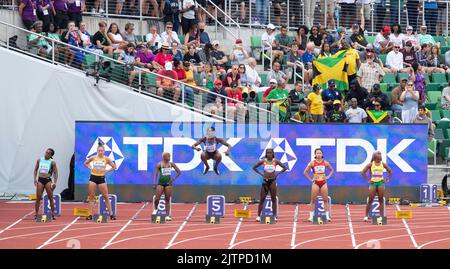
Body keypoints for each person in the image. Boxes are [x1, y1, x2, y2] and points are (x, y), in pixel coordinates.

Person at [252, 148, 288, 222]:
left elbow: (285, 168)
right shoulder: (263, 161)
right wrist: (261, 174)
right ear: (266, 154)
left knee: (273, 199)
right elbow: (254, 168)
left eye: (270, 152)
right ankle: (258, 216)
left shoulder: (276, 161)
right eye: (267, 153)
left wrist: (277, 174)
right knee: (262, 199)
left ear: (273, 153)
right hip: (265, 181)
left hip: (272, 181)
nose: (269, 154)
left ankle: (274, 216)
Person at [84, 142, 117, 220]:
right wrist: (90, 168)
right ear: (97, 151)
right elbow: (86, 163)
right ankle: (90, 214)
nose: (100, 152)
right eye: (99, 150)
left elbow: (114, 166)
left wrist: (107, 170)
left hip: (101, 178)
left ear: (104, 151)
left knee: (105, 196)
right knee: (91, 196)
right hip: (93, 177)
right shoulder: (93, 158)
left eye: (102, 151)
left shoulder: (106, 159)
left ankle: (111, 214)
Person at [361, 151, 392, 222]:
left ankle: (381, 217)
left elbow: (390, 171)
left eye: (380, 154)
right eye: (378, 154)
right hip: (373, 183)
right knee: (370, 200)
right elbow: (363, 172)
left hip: (381, 183)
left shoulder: (383, 164)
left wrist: (386, 179)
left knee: (380, 200)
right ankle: (366, 216)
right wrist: (367, 180)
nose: (380, 155)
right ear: (375, 156)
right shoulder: (371, 164)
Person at [303, 148, 334, 222]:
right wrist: (311, 179)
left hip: (323, 182)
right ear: (315, 154)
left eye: (320, 153)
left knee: (325, 200)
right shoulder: (312, 163)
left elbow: (331, 170)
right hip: (316, 182)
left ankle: (327, 216)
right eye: (317, 153)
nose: (319, 154)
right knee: (313, 200)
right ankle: (311, 216)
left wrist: (327, 177)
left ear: (322, 154)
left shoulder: (325, 163)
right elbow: (305, 172)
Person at [152, 152, 181, 221]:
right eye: (168, 156)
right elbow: (156, 174)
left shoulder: (171, 164)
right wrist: (154, 183)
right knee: (157, 198)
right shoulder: (159, 164)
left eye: (170, 156)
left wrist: (173, 179)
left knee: (167, 199)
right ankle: (155, 209)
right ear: (164, 157)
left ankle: (167, 215)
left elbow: (179, 172)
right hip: (160, 183)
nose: (169, 157)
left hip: (168, 184)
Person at [33, 148, 58, 220]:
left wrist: (54, 182)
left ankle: (53, 214)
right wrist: (35, 179)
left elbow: (56, 173)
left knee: (50, 197)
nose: (46, 154)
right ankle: (36, 213)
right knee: (38, 197)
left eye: (48, 153)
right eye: (46, 152)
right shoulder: (39, 160)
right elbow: (35, 170)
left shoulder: (52, 162)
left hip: (48, 180)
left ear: (50, 155)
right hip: (40, 180)